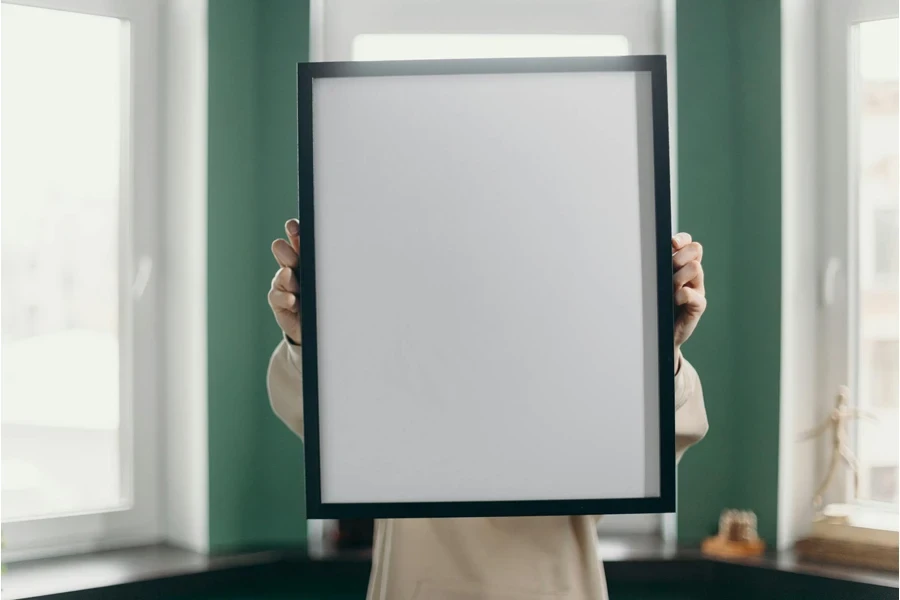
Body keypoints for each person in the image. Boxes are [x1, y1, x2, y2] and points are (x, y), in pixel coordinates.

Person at [267, 219, 709, 600]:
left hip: (556, 585)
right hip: (417, 583)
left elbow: (657, 446)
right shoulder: (399, 346)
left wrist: (659, 350)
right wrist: (312, 341)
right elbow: (322, 422)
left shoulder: (578, 345)